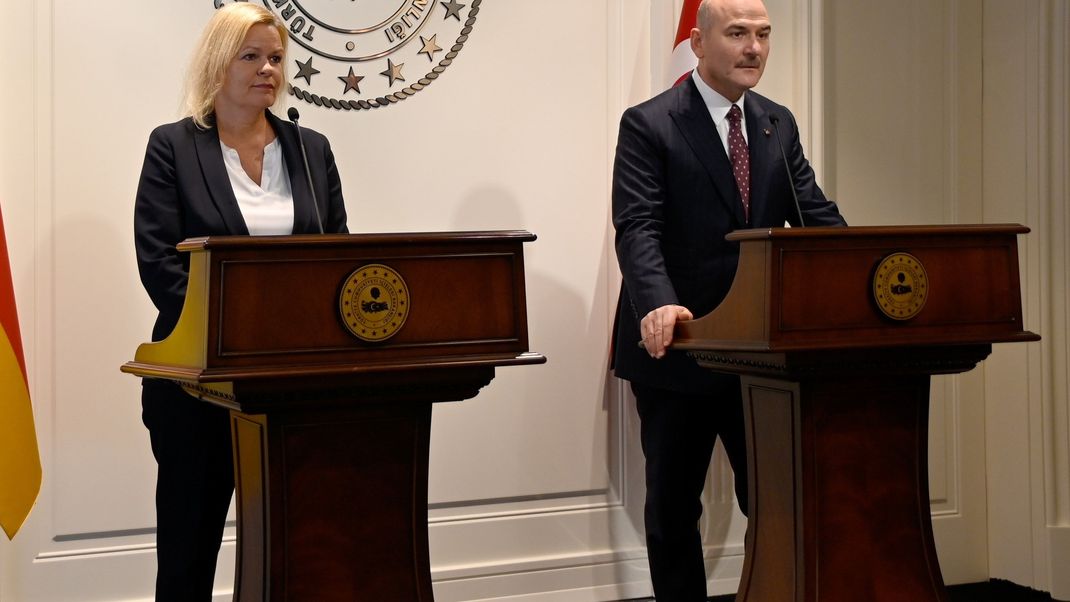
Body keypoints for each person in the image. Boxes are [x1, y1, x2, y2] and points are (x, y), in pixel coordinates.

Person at [610, 0, 846, 599]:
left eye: (764, 35)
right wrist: (658, 304)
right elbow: (638, 226)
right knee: (672, 510)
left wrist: (863, 270)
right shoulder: (650, 122)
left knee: (774, 501)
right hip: (679, 346)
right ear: (698, 42)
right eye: (737, 33)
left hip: (759, 354)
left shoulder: (776, 122)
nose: (754, 48)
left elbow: (814, 215)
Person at [133, 4, 348, 600]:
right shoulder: (174, 147)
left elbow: (338, 258)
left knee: (295, 546)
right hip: (198, 379)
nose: (267, 69)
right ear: (218, 63)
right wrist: (236, 334)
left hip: (294, 383)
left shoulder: (311, 148)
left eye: (276, 58)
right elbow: (159, 265)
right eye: (250, 56)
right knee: (188, 547)